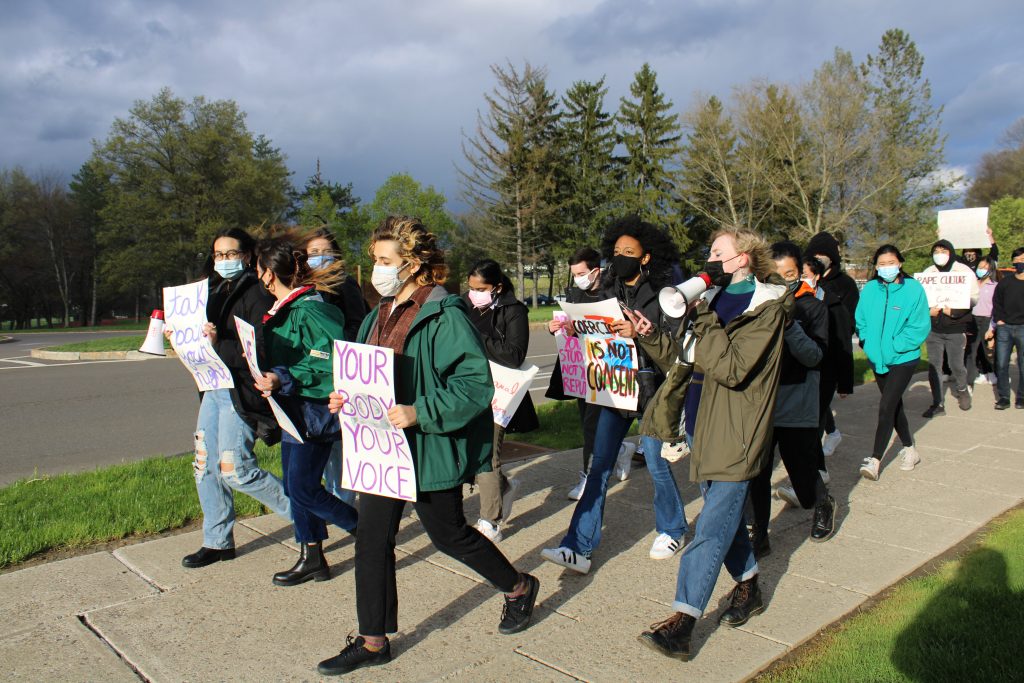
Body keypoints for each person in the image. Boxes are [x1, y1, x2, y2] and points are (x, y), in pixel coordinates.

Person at [317, 216, 539, 677]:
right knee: (371, 540)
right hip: (381, 450)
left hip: (428, 448)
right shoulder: (378, 313)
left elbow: (475, 385)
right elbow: (366, 373)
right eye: (375, 260)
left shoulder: (445, 315)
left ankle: (518, 586)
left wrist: (419, 412)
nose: (377, 270)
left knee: (449, 535)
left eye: (385, 261)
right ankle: (373, 641)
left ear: (414, 264)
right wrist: (345, 397)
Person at [639, 227, 790, 661]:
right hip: (701, 427)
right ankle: (750, 586)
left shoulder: (767, 307)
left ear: (743, 258)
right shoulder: (715, 300)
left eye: (718, 252)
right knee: (724, 523)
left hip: (737, 433)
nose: (710, 259)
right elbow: (685, 361)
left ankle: (682, 624)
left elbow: (732, 367)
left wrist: (703, 313)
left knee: (709, 527)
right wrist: (649, 335)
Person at [540, 216, 688, 574]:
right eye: (617, 251)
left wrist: (639, 333)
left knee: (657, 464)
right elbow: (593, 330)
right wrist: (570, 328)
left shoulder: (665, 295)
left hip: (652, 390)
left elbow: (673, 350)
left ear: (646, 257)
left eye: (629, 252)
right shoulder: (606, 288)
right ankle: (577, 546)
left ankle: (672, 529)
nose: (620, 257)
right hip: (614, 387)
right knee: (599, 466)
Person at [180, 228, 293, 571]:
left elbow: (258, 349)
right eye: (218, 255)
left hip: (240, 389)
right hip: (213, 388)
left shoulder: (257, 293)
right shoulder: (211, 291)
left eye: (230, 254)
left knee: (236, 470)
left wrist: (217, 345)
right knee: (204, 467)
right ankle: (217, 541)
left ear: (246, 256)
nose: (223, 260)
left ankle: (306, 514)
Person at [255, 236, 358, 586]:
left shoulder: (311, 309)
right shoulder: (285, 308)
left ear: (269, 274)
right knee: (294, 485)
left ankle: (366, 530)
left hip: (313, 411)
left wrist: (282, 377)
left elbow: (329, 360)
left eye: (259, 270)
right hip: (293, 410)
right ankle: (312, 556)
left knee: (302, 488)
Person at [748, 242, 836, 559]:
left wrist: (787, 325)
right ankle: (758, 533)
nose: (783, 281)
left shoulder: (813, 309)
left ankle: (822, 503)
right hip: (760, 402)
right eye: (776, 274)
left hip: (796, 400)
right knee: (757, 472)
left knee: (802, 471)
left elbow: (814, 356)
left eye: (790, 274)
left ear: (800, 273)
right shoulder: (755, 305)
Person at [462, 258, 538, 542]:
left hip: (499, 393)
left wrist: (476, 338)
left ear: (497, 287)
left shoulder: (514, 311)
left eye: (481, 289)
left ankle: (490, 521)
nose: (474, 294)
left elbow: (514, 354)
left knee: (488, 454)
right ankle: (502, 487)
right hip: (467, 387)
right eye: (471, 288)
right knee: (468, 451)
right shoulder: (464, 305)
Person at [854, 245, 931, 480]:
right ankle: (910, 449)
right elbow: (860, 318)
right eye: (882, 264)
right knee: (894, 405)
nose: (887, 267)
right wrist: (866, 342)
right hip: (877, 358)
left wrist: (897, 345)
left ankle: (875, 460)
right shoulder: (870, 289)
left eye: (891, 263)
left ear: (900, 263)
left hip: (903, 358)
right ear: (876, 267)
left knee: (886, 406)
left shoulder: (913, 289)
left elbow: (920, 325)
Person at [304, 228, 367, 506]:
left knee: (339, 446)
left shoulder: (345, 284)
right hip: (313, 376)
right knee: (323, 449)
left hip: (339, 372)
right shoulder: (302, 285)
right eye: (313, 253)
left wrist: (335, 349)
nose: (320, 258)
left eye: (325, 252)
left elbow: (358, 324)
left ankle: (344, 508)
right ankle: (333, 501)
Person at [546, 247, 605, 500]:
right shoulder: (574, 295)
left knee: (598, 423)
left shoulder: (612, 292)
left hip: (608, 367)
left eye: (581, 274)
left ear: (596, 271)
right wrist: (555, 328)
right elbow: (568, 328)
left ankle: (591, 474)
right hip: (582, 369)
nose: (577, 279)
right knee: (589, 423)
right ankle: (614, 454)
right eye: (574, 274)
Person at [804, 232, 859, 458]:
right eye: (814, 254)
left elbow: (845, 332)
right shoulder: (804, 281)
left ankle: (815, 467)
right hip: (805, 356)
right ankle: (832, 432)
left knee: (815, 413)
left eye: (823, 254)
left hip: (829, 358)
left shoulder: (845, 285)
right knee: (813, 406)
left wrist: (845, 381)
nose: (818, 258)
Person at [921, 239, 979, 417]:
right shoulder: (928, 273)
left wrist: (953, 311)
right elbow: (920, 297)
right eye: (936, 251)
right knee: (934, 366)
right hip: (933, 328)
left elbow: (974, 297)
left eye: (943, 251)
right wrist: (927, 311)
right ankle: (937, 402)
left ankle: (962, 390)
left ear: (951, 252)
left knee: (956, 365)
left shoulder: (963, 271)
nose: (939, 255)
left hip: (956, 327)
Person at [988, 247, 1024, 410]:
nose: (1020, 263)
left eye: (1022, 260)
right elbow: (997, 303)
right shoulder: (1005, 282)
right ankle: (1003, 397)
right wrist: (999, 320)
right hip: (1005, 328)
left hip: (1023, 328)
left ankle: (1021, 397)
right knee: (1001, 363)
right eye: (1017, 260)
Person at [967, 255, 999, 387]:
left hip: (987, 319)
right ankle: (982, 373)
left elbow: (997, 308)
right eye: (980, 266)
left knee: (987, 350)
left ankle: (994, 373)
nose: (981, 269)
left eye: (985, 267)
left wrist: (992, 327)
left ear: (991, 269)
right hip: (973, 319)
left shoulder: (995, 286)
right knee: (974, 350)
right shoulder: (972, 284)